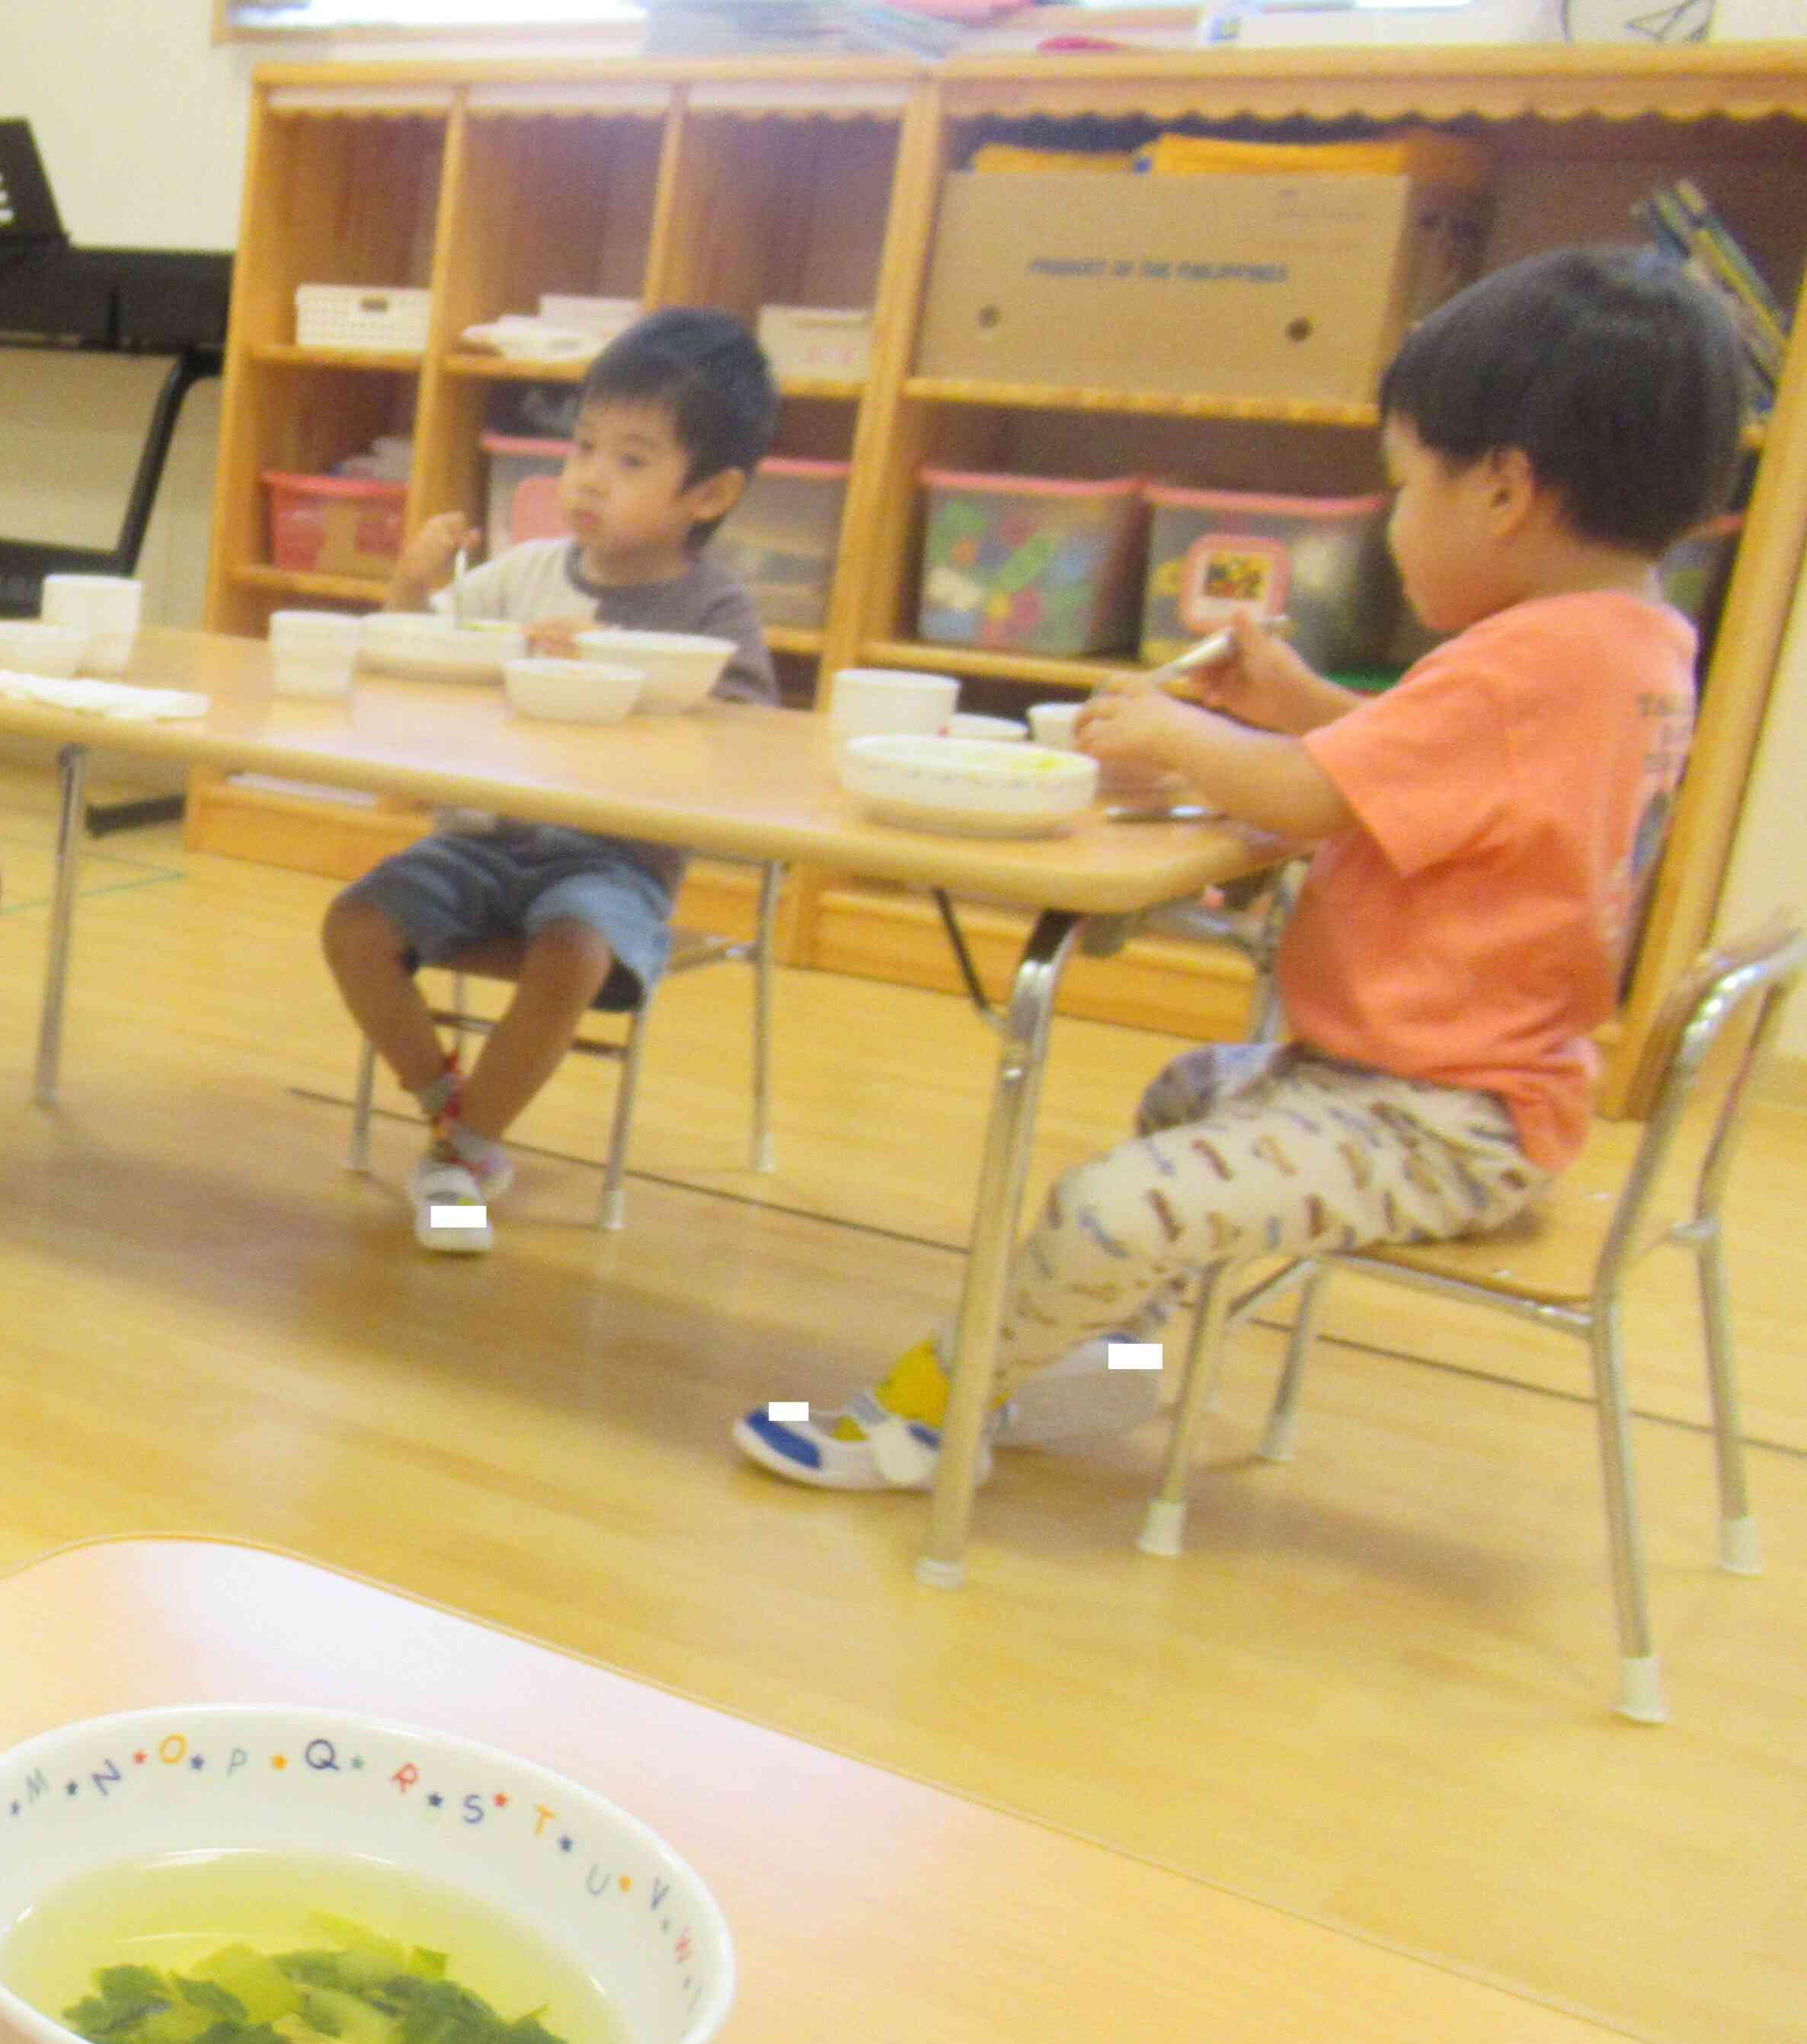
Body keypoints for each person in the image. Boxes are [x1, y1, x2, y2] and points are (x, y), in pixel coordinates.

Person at [736, 245, 1745, 1492]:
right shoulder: (1631, 642)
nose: (1394, 523)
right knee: (1185, 1097)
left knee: (1113, 1207)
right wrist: (1294, 700)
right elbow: (1439, 768)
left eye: (1405, 487)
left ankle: (922, 1421)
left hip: (1430, 1118)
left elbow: (1319, 795)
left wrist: (1181, 733)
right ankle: (1104, 1374)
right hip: (1463, 1090)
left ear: (1503, 492)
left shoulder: (1524, 661)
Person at [320, 309, 779, 1249]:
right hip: (484, 838)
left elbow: (751, 737)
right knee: (355, 927)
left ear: (711, 491)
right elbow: (414, 652)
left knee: (571, 951)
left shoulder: (712, 603)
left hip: (611, 862)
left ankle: (467, 1150)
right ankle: (453, 1108)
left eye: (632, 460)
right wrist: (409, 586)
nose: (589, 478)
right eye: (583, 448)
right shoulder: (526, 573)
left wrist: (624, 658)